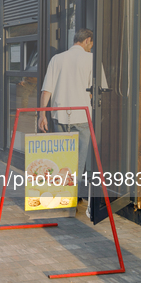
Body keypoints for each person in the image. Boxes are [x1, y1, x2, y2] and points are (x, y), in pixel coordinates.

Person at [38, 28, 107, 200]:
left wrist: (42, 115)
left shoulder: (57, 59)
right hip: (82, 117)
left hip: (60, 116)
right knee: (79, 161)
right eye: (91, 44)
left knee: (62, 158)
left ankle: (63, 195)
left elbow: (46, 91)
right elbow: (99, 91)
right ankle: (73, 196)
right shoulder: (92, 59)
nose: (91, 48)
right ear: (87, 41)